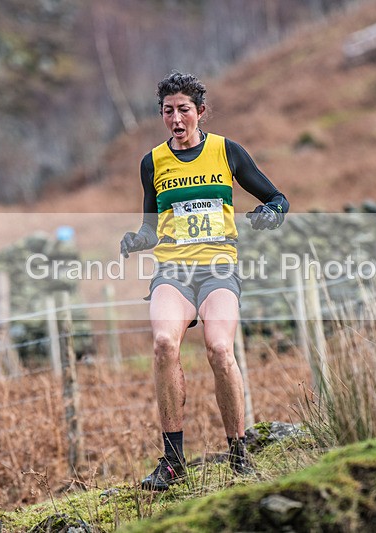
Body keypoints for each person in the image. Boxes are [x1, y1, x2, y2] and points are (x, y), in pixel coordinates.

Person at [119, 71, 289, 490]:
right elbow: (152, 227)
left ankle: (238, 451)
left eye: (184, 110)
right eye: (167, 111)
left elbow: (277, 198)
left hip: (218, 269)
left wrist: (271, 214)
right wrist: (135, 240)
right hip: (173, 272)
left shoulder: (227, 152)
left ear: (200, 112)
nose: (176, 119)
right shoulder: (152, 162)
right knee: (163, 343)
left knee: (218, 348)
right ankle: (173, 460)